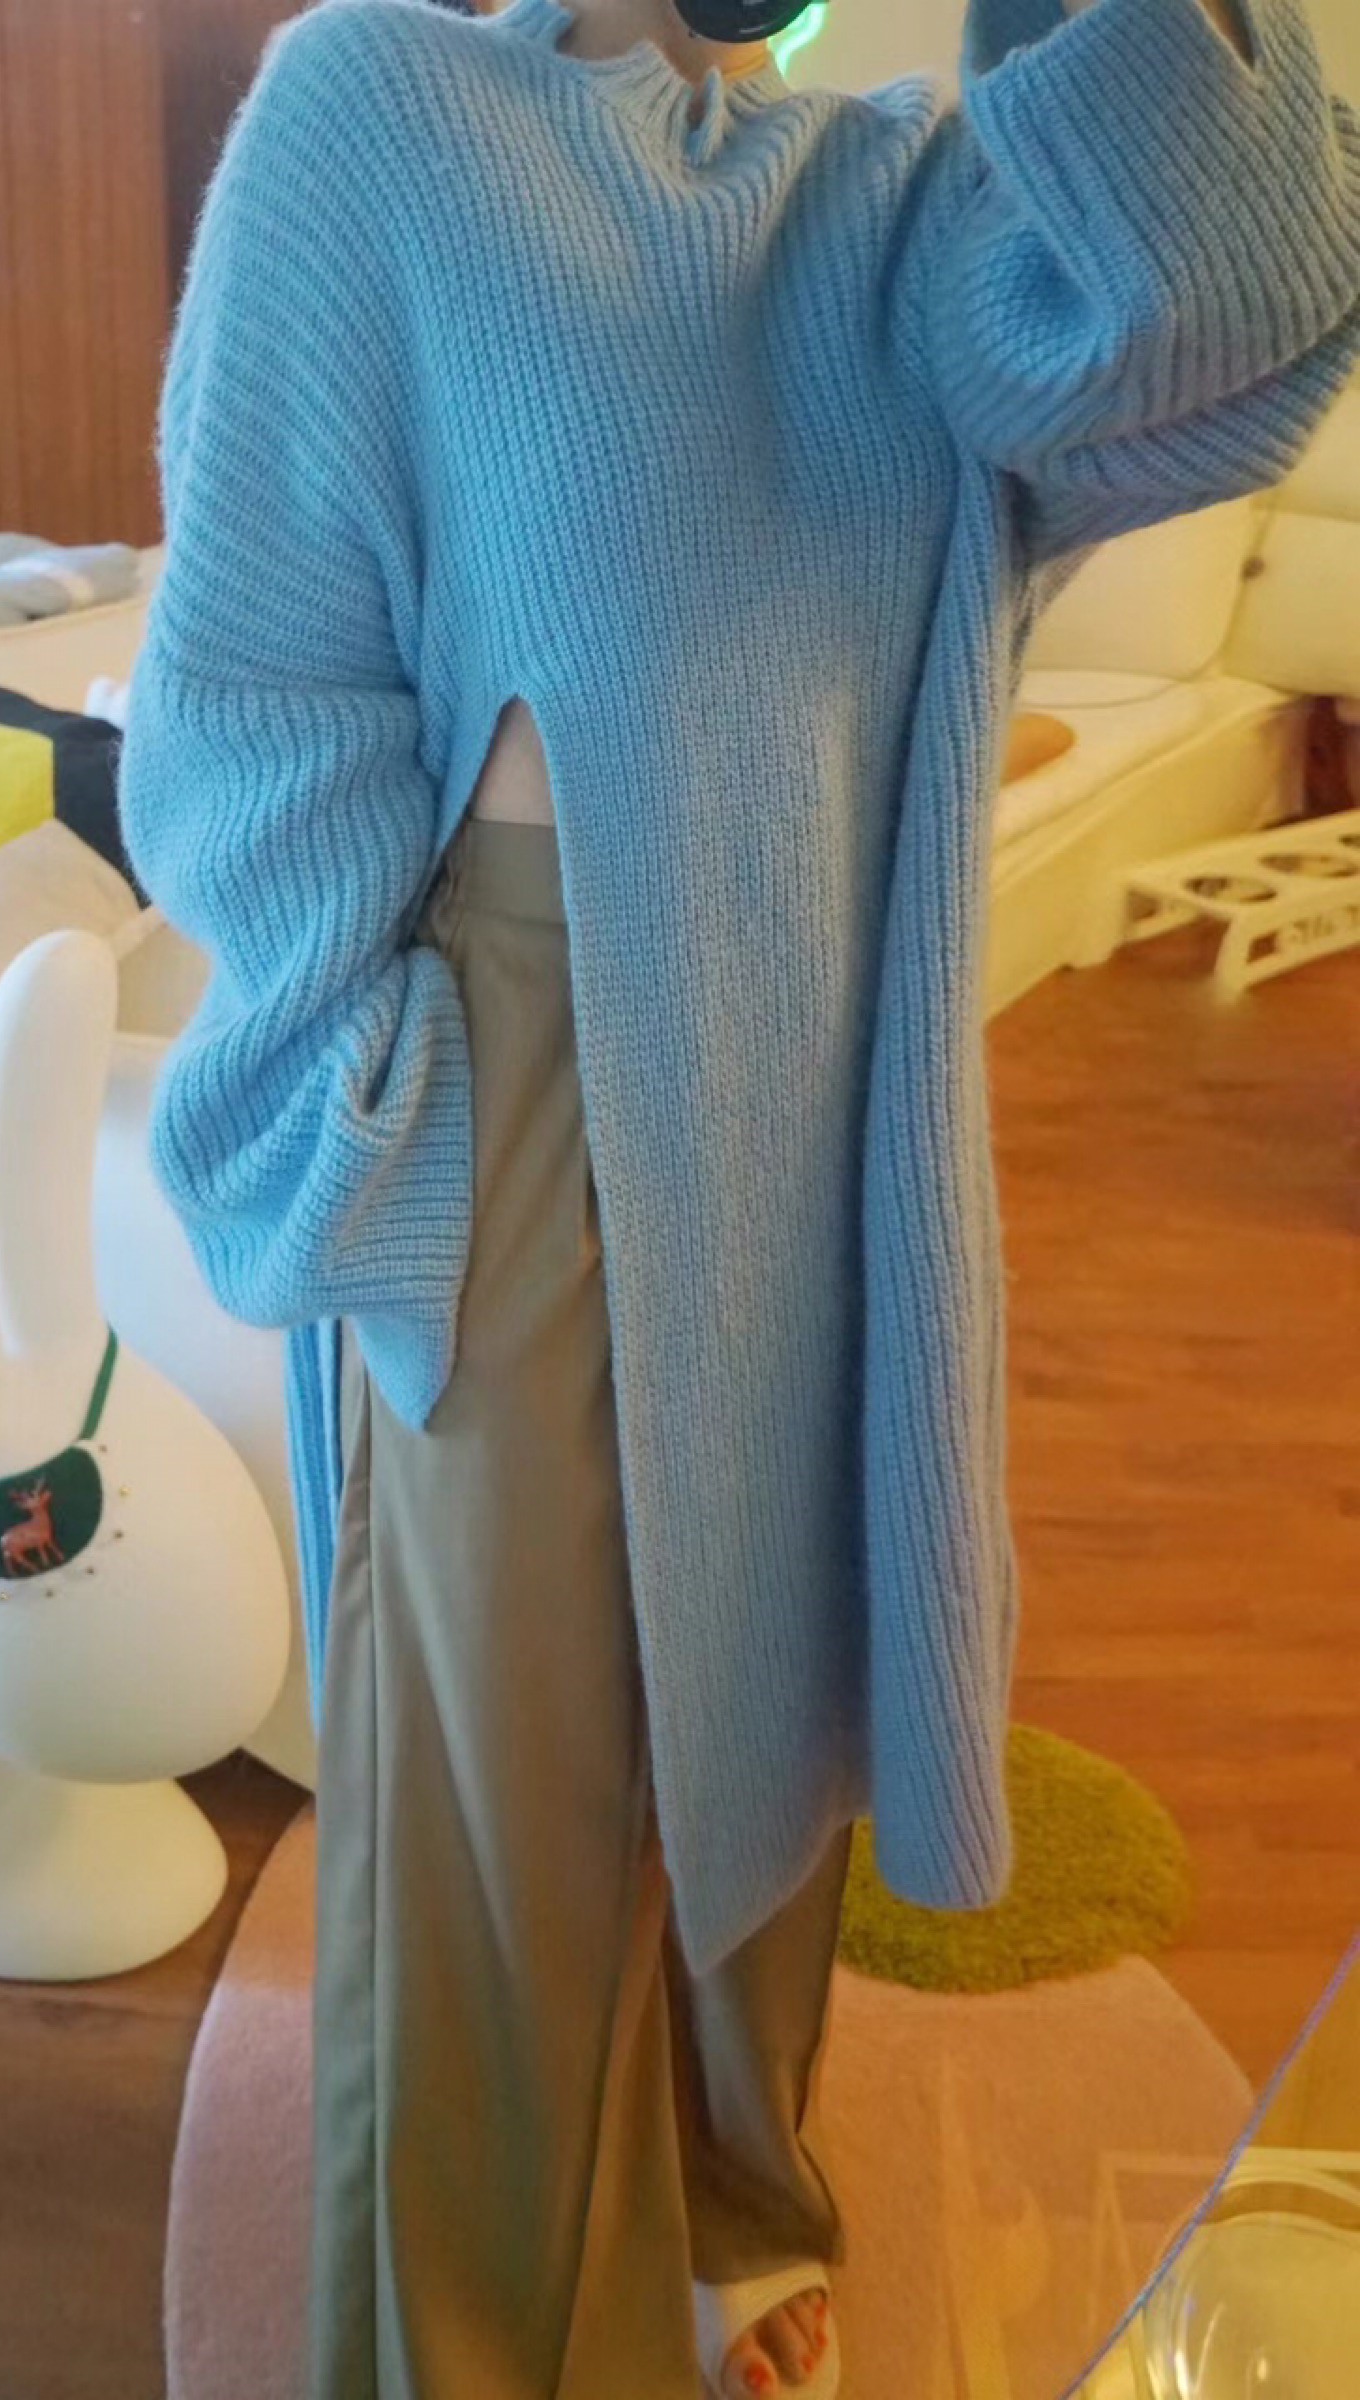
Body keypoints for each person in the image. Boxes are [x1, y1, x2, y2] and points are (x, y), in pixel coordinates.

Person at [118, 2, 1360, 2392]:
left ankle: (725, 2191)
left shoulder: (884, 204)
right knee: (514, 1808)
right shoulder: (381, 105)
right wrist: (364, 1109)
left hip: (820, 1061)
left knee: (774, 1696)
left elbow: (1234, 295)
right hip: (515, 1059)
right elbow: (254, 682)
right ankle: (491, 2345)